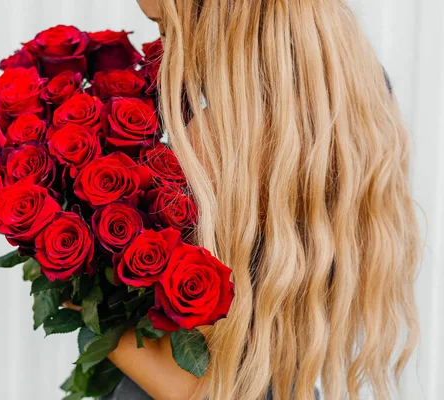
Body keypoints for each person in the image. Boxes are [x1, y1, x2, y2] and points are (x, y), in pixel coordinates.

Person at [102, 0, 420, 399]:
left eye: (167, 24)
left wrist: (83, 306)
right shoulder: (362, 98)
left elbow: (199, 389)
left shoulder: (216, 144)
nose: (163, 43)